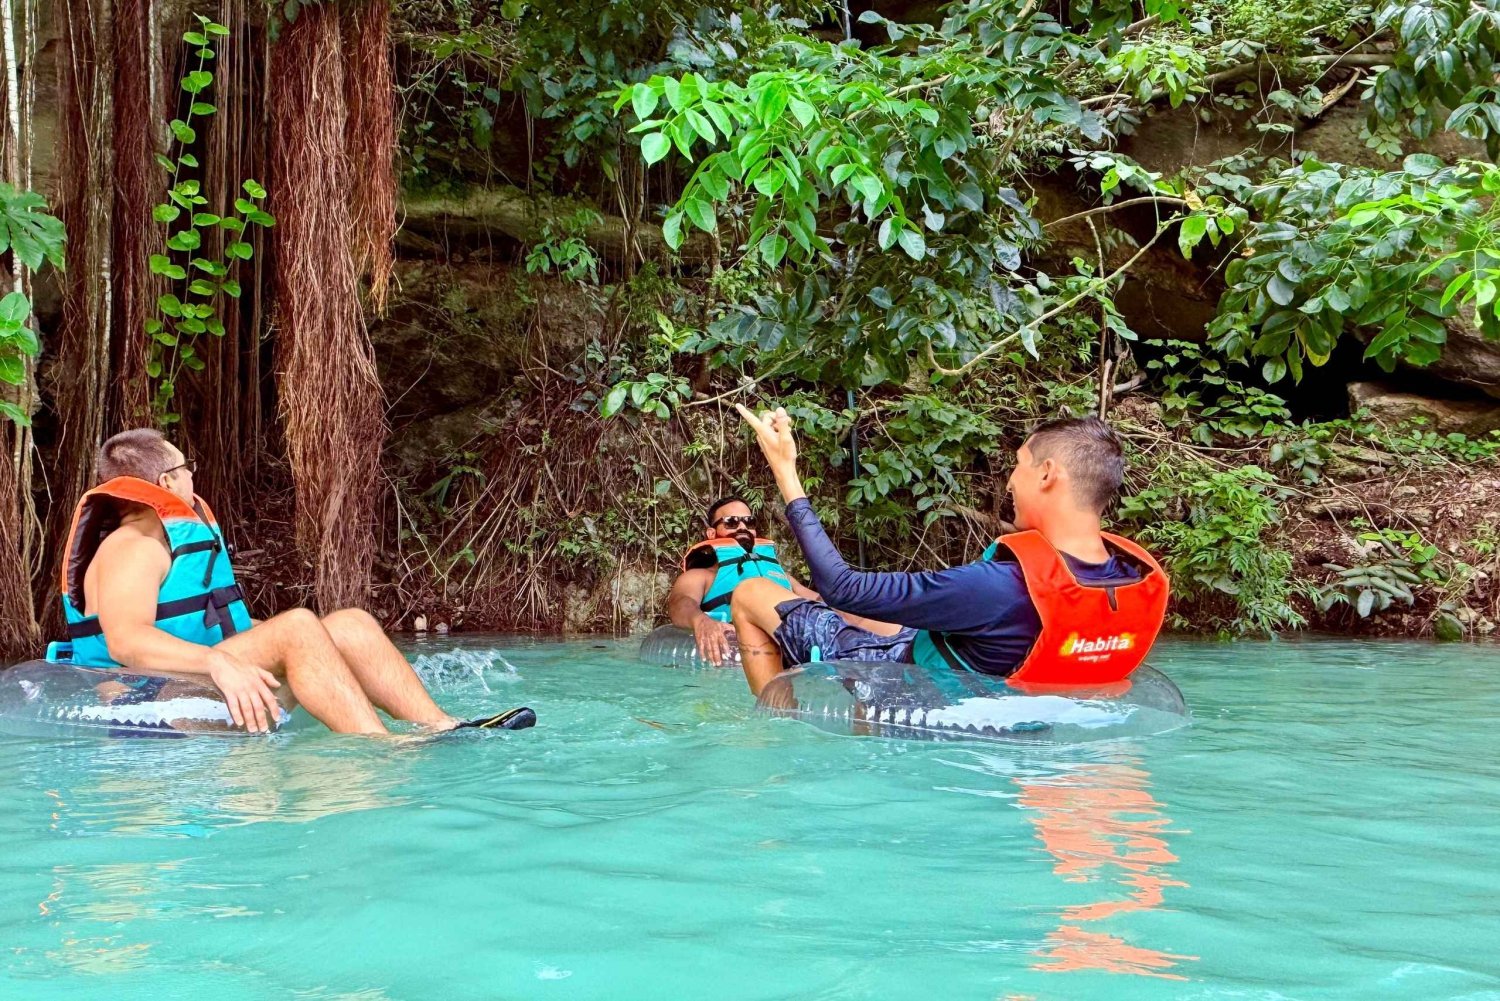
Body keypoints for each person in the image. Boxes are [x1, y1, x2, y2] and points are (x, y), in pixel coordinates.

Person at [48, 428, 533, 735]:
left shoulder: (167, 540)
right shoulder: (131, 546)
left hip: (190, 680)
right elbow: (128, 642)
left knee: (348, 625)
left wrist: (307, 643)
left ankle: (441, 729)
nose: (193, 477)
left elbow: (216, 628)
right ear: (167, 482)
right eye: (185, 468)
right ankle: (379, 750)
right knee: (299, 625)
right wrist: (221, 663)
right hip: (146, 705)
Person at [727, 405, 1169, 697]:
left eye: (1018, 464)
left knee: (751, 593)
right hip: (997, 689)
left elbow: (842, 587)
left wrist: (785, 471)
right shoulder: (1136, 581)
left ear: (1048, 474)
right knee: (879, 620)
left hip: (917, 690)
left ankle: (776, 737)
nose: (1010, 480)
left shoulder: (1001, 587)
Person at [665, 495, 896, 665]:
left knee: (859, 611)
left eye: (749, 521)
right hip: (746, 654)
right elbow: (680, 602)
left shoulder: (780, 576)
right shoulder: (701, 576)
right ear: (712, 534)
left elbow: (817, 599)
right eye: (732, 522)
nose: (743, 527)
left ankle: (905, 646)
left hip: (801, 642)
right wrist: (701, 622)